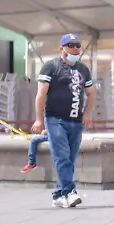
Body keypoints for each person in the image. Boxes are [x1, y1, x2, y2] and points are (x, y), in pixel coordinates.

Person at [32, 34, 95, 209]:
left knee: (69, 158)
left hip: (75, 121)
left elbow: (90, 94)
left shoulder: (83, 69)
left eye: (77, 45)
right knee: (62, 156)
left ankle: (58, 195)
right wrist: (39, 120)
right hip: (55, 119)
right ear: (62, 48)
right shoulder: (51, 67)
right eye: (70, 45)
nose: (75, 48)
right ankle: (70, 192)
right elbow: (41, 94)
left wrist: (87, 114)